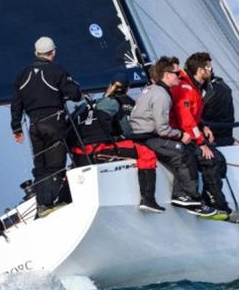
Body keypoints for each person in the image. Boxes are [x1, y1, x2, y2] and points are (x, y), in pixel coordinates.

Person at [129, 56, 216, 217]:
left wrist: (200, 126)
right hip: (147, 137)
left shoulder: (152, 89)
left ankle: (183, 195)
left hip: (143, 135)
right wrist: (181, 134)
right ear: (167, 75)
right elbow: (162, 129)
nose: (180, 76)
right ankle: (187, 196)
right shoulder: (161, 94)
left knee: (183, 149)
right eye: (177, 73)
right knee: (184, 153)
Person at [67, 76, 163, 213]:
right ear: (127, 89)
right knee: (146, 153)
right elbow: (127, 131)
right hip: (98, 150)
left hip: (78, 154)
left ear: (110, 85)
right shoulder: (115, 103)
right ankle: (148, 199)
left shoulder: (84, 105)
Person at [11, 36, 82, 217]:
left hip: (34, 126)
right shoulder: (57, 71)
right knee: (55, 165)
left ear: (36, 53)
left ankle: (42, 205)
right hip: (53, 123)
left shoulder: (22, 74)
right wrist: (73, 87)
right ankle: (48, 205)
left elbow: (16, 104)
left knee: (40, 166)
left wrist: (16, 129)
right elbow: (75, 95)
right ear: (53, 53)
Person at [171, 52, 239, 222]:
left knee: (219, 159)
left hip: (189, 132)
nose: (211, 70)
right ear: (200, 70)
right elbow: (185, 118)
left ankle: (210, 199)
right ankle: (217, 204)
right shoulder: (185, 88)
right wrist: (201, 143)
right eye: (209, 67)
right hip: (179, 135)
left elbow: (193, 116)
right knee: (209, 158)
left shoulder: (195, 85)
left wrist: (203, 126)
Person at [202, 73, 235, 147]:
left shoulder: (216, 90)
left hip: (217, 139)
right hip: (225, 137)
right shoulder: (221, 85)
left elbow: (209, 116)